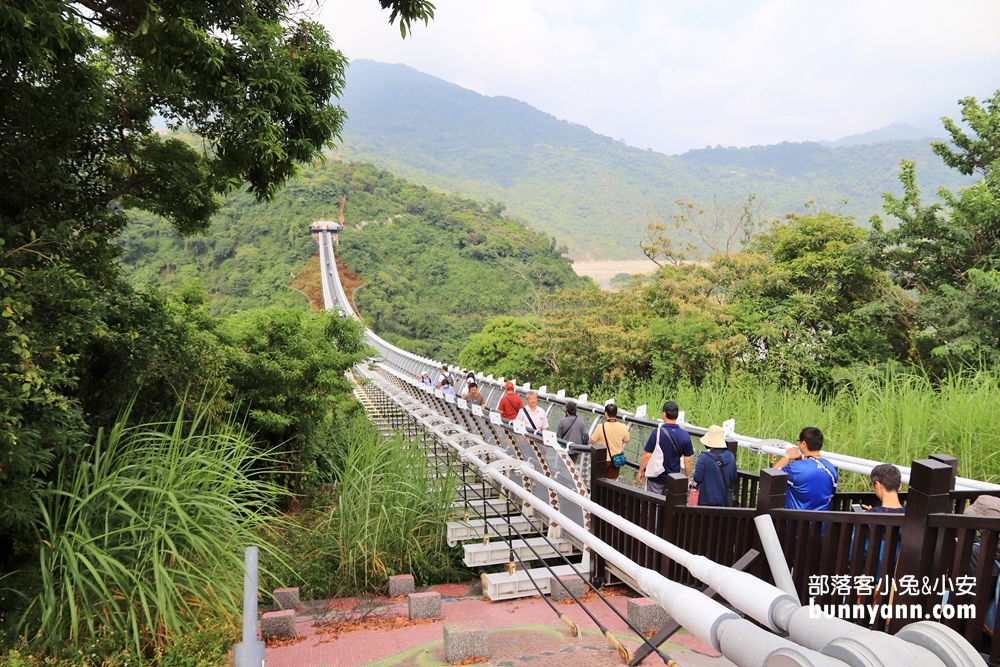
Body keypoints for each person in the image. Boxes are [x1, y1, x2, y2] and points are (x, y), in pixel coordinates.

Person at [772, 427, 838, 510]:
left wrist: (787, 456)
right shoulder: (831, 468)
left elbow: (773, 475)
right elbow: (830, 496)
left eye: (798, 441)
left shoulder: (795, 468)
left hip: (794, 521)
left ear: (803, 444)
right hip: (820, 521)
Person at [638, 401, 693, 494]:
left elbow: (646, 455)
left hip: (656, 477)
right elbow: (688, 460)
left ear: (664, 413)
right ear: (677, 415)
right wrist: (687, 476)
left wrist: (641, 470)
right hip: (673, 478)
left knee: (652, 504)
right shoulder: (685, 435)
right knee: (668, 505)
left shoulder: (657, 433)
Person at [691, 424, 738, 507]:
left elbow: (697, 478)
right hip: (724, 501)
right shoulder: (731, 456)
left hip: (706, 501)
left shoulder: (704, 457)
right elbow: (733, 478)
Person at [590, 403, 629, 481]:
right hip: (616, 460)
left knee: (599, 481)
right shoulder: (623, 427)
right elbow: (626, 440)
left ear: (605, 413)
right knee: (611, 483)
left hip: (602, 459)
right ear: (616, 413)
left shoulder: (600, 427)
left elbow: (592, 441)